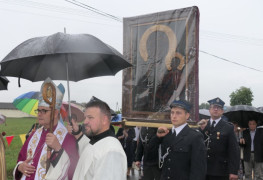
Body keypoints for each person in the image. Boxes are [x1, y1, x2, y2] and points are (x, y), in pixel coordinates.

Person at [13, 78, 79, 180]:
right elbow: (21, 158)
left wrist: (58, 149)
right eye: (38, 110)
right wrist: (20, 166)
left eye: (44, 111)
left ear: (56, 113)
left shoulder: (68, 139)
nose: (39, 114)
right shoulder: (34, 135)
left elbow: (74, 172)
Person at [54, 100, 127, 180]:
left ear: (104, 120)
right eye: (85, 117)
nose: (85, 122)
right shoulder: (98, 140)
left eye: (90, 117)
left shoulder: (112, 151)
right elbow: (89, 151)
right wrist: (77, 132)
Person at [149, 99, 207, 180]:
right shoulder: (166, 133)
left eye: (178, 113)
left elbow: (198, 169)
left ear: (187, 115)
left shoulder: (195, 137)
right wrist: (157, 137)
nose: (174, 116)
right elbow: (149, 155)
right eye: (172, 112)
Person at [200, 97, 240, 180]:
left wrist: (233, 171)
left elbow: (234, 150)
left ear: (222, 111)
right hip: (203, 168)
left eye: (218, 108)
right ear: (209, 110)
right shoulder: (202, 125)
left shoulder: (228, 127)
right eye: (213, 107)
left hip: (220, 170)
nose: (216, 109)